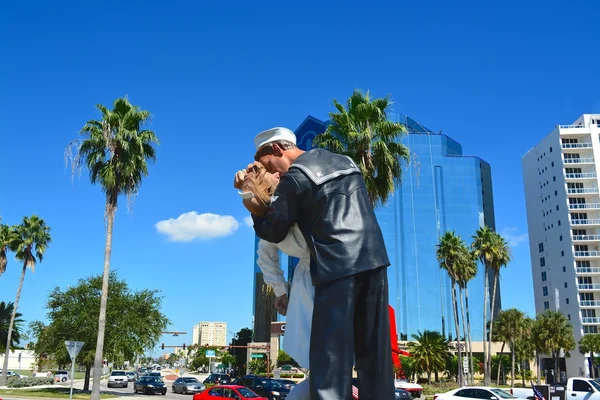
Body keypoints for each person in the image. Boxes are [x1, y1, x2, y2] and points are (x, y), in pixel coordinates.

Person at [236, 127, 395, 400]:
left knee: (330, 360)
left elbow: (273, 231)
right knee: (375, 356)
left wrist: (253, 202)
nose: (272, 173)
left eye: (267, 165)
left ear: (276, 149)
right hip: (375, 260)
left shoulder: (295, 178)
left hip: (336, 266)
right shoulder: (346, 162)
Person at [239, 162, 313, 400]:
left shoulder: (269, 221)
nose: (279, 173)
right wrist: (281, 291)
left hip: (322, 276)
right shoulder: (272, 220)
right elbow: (265, 256)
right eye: (270, 173)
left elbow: (265, 257)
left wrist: (281, 291)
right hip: (317, 277)